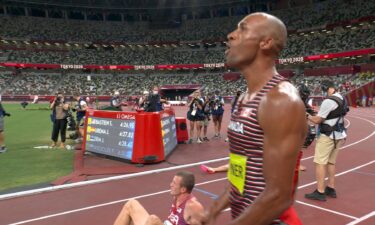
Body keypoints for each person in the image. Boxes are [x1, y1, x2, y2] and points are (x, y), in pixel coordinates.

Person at [203, 12, 307, 225]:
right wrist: (212, 211)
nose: (230, 35)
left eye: (242, 29)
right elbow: (240, 172)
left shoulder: (280, 100)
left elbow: (278, 196)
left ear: (266, 42)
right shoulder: (243, 98)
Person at [305, 80, 347, 201]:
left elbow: (318, 120)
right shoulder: (341, 97)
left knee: (320, 162)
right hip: (338, 134)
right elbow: (333, 113)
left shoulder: (328, 101)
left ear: (326, 88)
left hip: (327, 136)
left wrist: (307, 115)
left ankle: (320, 191)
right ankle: (331, 188)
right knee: (331, 162)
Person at [113, 171, 204, 225]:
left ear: (183, 189)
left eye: (174, 183)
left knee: (153, 219)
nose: (170, 185)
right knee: (131, 204)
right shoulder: (176, 197)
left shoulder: (193, 206)